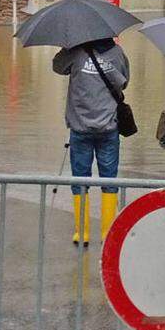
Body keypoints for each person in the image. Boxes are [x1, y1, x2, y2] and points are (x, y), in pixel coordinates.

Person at [52, 37, 129, 244]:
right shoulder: (117, 52)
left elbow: (57, 66)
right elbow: (125, 81)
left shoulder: (75, 52)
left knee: (80, 179)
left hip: (80, 127)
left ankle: (82, 233)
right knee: (109, 179)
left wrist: (67, 46)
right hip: (109, 126)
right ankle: (107, 233)